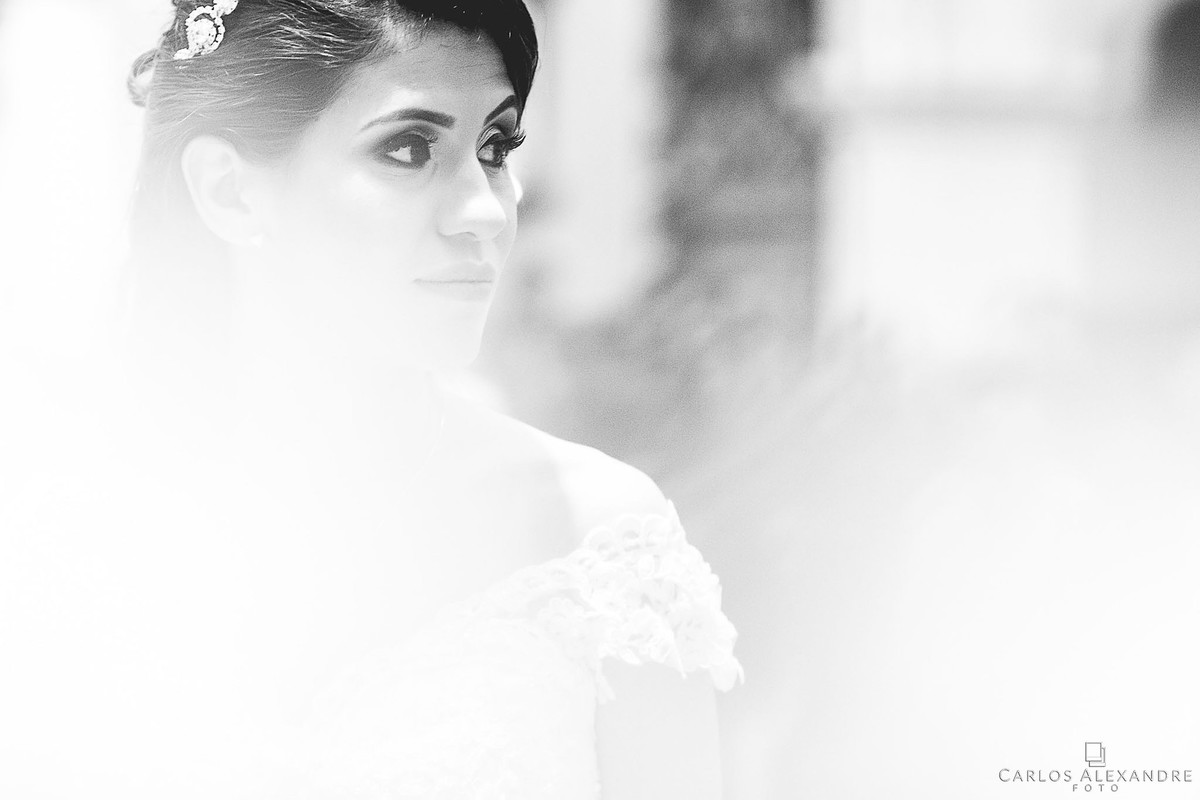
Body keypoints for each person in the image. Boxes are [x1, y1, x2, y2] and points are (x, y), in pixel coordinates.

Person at [2, 1, 742, 797]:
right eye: (410, 147)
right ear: (230, 192)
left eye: (496, 147)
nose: (485, 213)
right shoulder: (64, 541)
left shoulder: (601, 546)